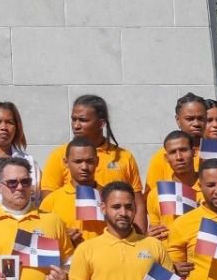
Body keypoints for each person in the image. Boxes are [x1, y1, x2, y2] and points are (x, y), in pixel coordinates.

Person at [65, 183, 173, 280]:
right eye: (116, 207)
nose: (123, 213)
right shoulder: (86, 249)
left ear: (135, 208)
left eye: (128, 207)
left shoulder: (154, 245)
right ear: (103, 208)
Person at [40, 95, 143, 223]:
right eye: (74, 119)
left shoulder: (124, 157)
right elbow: (49, 204)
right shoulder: (59, 155)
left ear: (101, 123)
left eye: (83, 120)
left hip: (111, 234)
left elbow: (138, 204)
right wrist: (63, 230)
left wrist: (138, 233)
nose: (76, 125)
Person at [37, 139, 108, 243]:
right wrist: (63, 236)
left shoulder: (108, 197)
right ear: (66, 162)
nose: (84, 167)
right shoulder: (51, 201)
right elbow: (42, 239)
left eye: (89, 161)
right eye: (78, 161)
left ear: (97, 162)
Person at [143, 94, 209, 188]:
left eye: (200, 118)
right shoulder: (161, 156)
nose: (196, 123)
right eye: (190, 119)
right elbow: (153, 194)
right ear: (178, 120)